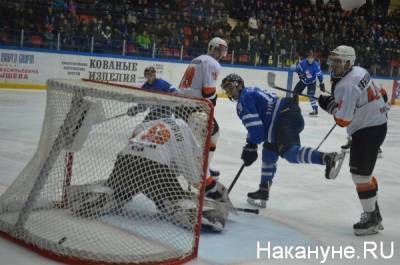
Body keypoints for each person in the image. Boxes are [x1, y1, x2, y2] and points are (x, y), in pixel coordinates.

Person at [70, 115, 231, 232]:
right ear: (203, 131)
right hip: (153, 167)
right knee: (174, 200)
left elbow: (137, 129)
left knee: (119, 191)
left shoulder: (168, 121)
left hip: (126, 158)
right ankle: (193, 215)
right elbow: (196, 179)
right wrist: (214, 190)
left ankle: (101, 197)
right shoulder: (189, 137)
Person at [220, 73, 338, 208]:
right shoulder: (250, 92)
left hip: (283, 116)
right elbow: (262, 130)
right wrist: (251, 144)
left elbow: (257, 130)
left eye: (230, 88)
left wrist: (251, 145)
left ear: (239, 85)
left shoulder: (243, 100)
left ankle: (326, 158)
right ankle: (263, 190)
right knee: (269, 151)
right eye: (226, 89)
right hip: (285, 114)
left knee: (289, 153)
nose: (229, 92)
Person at [318, 45, 388, 236]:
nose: (333, 65)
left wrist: (330, 106)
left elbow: (343, 120)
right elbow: (382, 94)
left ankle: (371, 218)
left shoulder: (345, 85)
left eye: (338, 62)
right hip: (379, 124)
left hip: (367, 131)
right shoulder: (360, 71)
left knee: (360, 176)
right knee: (364, 174)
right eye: (333, 61)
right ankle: (374, 212)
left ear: (349, 62)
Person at [178, 37, 228, 179]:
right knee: (213, 134)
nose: (221, 54)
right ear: (212, 48)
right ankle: (202, 169)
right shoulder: (212, 63)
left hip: (181, 103)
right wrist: (214, 100)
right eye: (219, 50)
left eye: (223, 51)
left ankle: (200, 167)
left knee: (192, 137)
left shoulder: (197, 59)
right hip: (194, 106)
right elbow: (208, 92)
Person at [294, 50, 325, 116]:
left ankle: (315, 109)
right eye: (309, 58)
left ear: (313, 58)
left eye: (312, 58)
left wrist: (321, 83)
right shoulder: (302, 63)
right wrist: (300, 75)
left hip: (312, 82)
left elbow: (319, 74)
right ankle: (295, 107)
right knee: (295, 92)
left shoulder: (316, 65)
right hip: (303, 81)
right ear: (307, 58)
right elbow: (297, 70)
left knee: (311, 95)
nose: (310, 59)